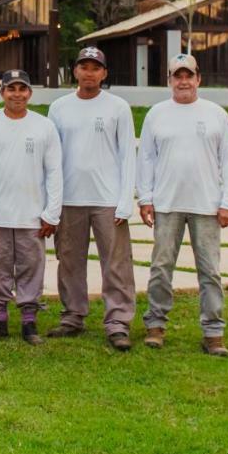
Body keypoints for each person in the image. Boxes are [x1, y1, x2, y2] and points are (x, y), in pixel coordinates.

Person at [138, 53, 228, 357]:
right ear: (169, 80)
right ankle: (155, 324)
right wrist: (145, 198)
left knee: (209, 270)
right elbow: (145, 159)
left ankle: (213, 331)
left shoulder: (216, 114)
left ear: (199, 78)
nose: (183, 81)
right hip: (167, 203)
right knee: (160, 267)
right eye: (176, 76)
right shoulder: (157, 114)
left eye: (188, 75)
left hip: (207, 206)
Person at [46, 46, 137, 350]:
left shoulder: (118, 107)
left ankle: (118, 321)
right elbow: (51, 157)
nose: (89, 73)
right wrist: (51, 201)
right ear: (75, 71)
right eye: (83, 67)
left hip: (108, 199)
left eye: (95, 68)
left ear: (104, 73)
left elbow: (128, 156)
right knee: (69, 260)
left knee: (116, 263)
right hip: (69, 198)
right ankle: (73, 314)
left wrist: (126, 200)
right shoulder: (59, 107)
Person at [0, 70, 62, 345]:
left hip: (32, 214)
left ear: (30, 92)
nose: (17, 94)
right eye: (11, 89)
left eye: (22, 89)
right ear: (2, 92)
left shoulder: (44, 127)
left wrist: (52, 212)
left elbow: (54, 172)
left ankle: (29, 324)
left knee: (32, 269)